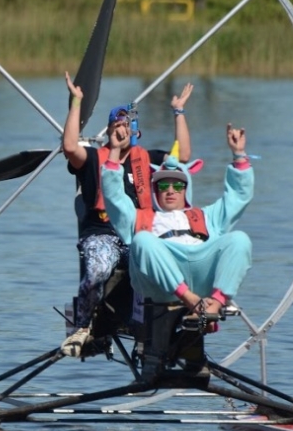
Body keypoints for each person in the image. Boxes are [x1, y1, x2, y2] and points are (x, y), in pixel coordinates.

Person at [61, 71, 194, 357]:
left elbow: (182, 155)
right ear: (108, 130)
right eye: (115, 126)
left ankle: (149, 331)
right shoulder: (93, 157)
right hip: (102, 236)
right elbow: (70, 146)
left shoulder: (147, 160)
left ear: (136, 132)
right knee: (98, 269)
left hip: (137, 237)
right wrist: (76, 103)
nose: (121, 130)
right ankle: (83, 325)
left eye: (126, 125)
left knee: (165, 263)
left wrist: (178, 111)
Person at [100, 123, 253, 320]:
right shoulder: (140, 217)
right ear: (155, 190)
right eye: (163, 185)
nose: (171, 190)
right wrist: (115, 150)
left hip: (201, 272)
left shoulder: (206, 216)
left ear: (185, 188)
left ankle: (214, 306)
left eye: (177, 185)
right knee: (142, 240)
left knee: (239, 239)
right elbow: (113, 196)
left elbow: (238, 196)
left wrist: (239, 153)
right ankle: (191, 300)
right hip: (159, 284)